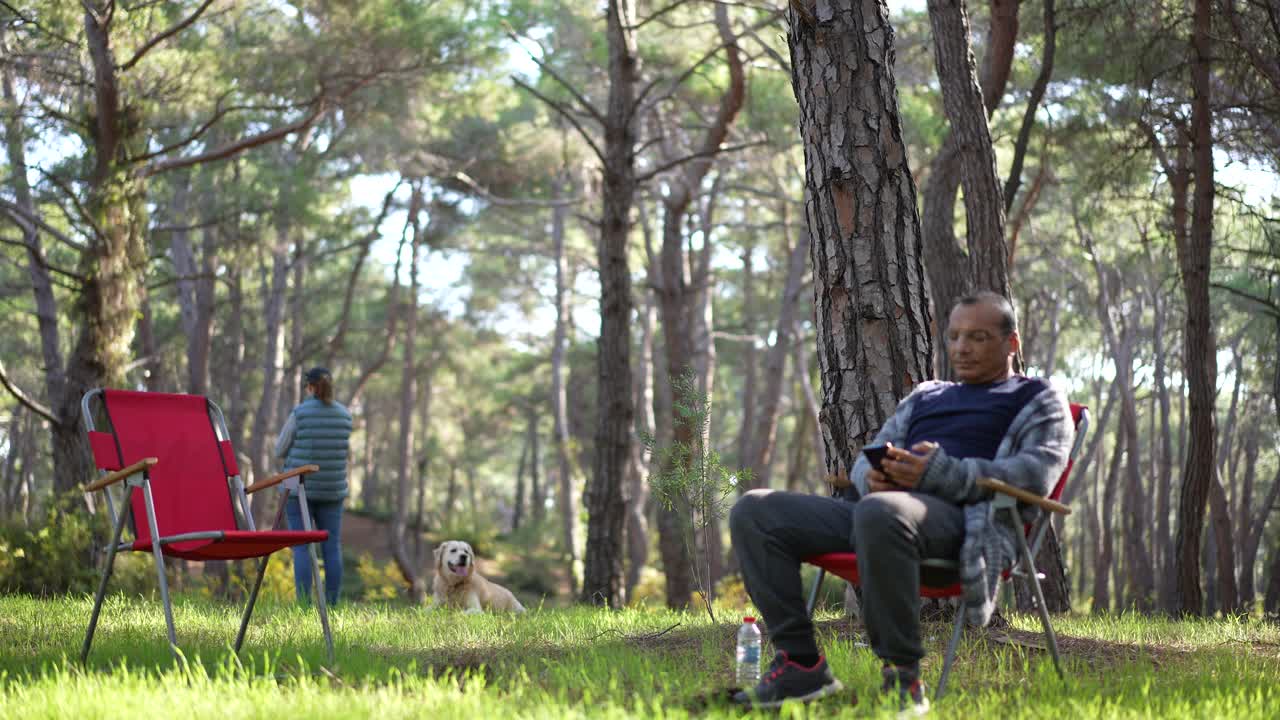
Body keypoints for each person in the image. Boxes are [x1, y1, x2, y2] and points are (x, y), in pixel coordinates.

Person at [729, 292, 1073, 712]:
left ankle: (902, 678)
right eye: (955, 337)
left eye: (978, 337)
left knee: (880, 512)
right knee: (755, 509)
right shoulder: (928, 395)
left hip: (966, 520)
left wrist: (941, 473)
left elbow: (1035, 475)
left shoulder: (1038, 399)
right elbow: (868, 457)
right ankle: (801, 665)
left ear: (1012, 343)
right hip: (880, 509)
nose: (962, 348)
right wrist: (871, 476)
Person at [275, 366, 353, 607]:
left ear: (309, 386)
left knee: (302, 547)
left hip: (299, 488)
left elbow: (279, 450)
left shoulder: (300, 413)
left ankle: (304, 605)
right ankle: (332, 605)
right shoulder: (344, 415)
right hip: (333, 490)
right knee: (332, 547)